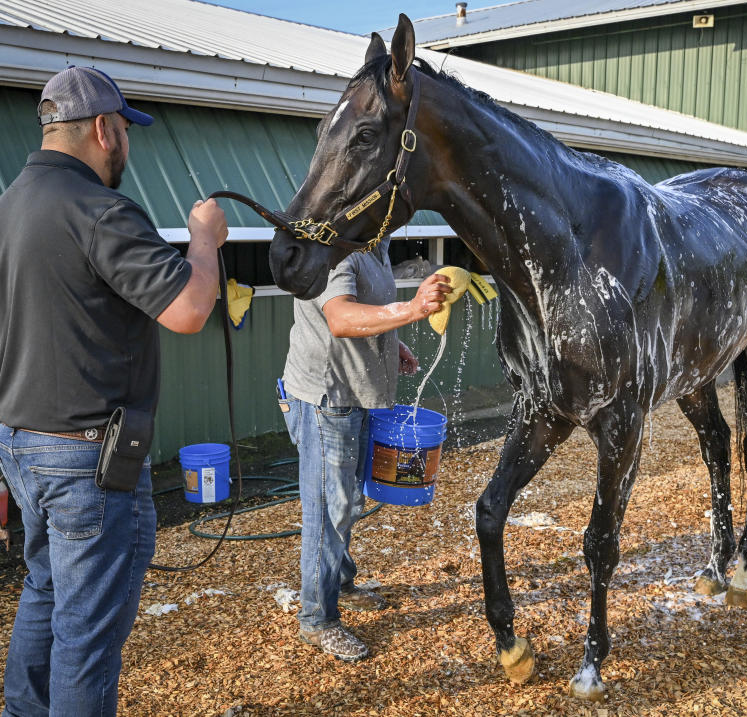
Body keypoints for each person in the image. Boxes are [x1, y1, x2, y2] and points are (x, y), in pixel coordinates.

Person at [0, 66, 228, 716]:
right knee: (87, 640)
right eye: (125, 129)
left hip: (20, 447)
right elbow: (188, 307)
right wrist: (204, 241)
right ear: (104, 129)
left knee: (43, 591)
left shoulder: (10, 205)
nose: (127, 144)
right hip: (86, 461)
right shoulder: (99, 210)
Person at [279, 243, 451, 662]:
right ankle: (317, 618)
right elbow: (339, 317)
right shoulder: (334, 246)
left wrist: (391, 344)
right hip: (327, 398)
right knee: (329, 507)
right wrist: (411, 309)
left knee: (350, 499)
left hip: (356, 394)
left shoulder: (375, 243)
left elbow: (365, 308)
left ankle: (339, 583)